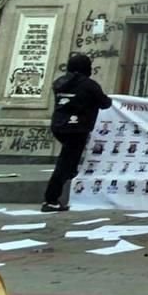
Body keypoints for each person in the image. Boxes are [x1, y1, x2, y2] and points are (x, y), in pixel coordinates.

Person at [41, 54, 112, 212]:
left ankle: (71, 173)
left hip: (59, 126)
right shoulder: (89, 85)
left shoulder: (59, 82)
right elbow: (105, 103)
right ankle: (50, 200)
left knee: (69, 159)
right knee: (64, 164)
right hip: (77, 128)